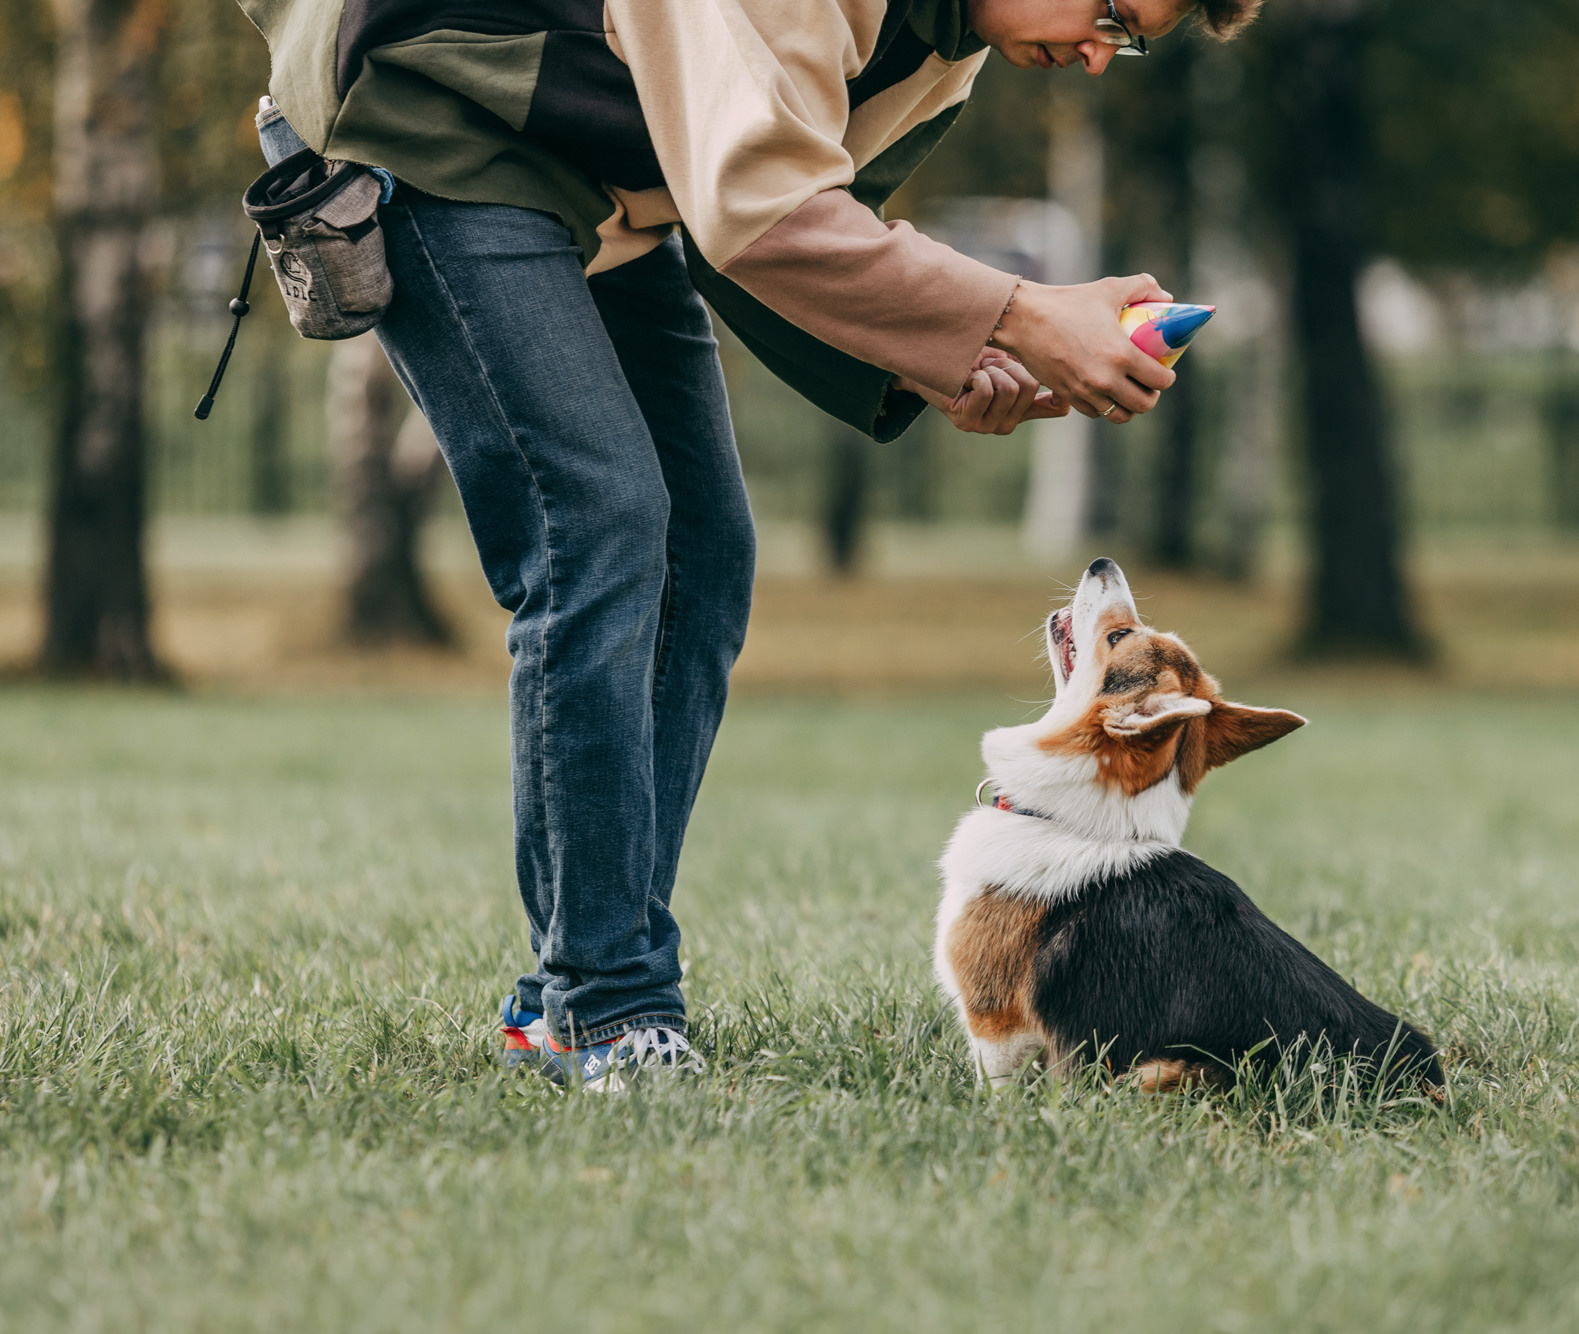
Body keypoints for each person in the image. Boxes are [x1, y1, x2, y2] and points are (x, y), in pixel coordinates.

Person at [237, 0, 1262, 1090]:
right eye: (1109, 10)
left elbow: (800, 229)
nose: (1099, 56)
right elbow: (759, 213)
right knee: (599, 523)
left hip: (597, 186)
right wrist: (1016, 310)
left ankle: (564, 996)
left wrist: (943, 356)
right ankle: (608, 1004)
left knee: (704, 555)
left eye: (1131, 38)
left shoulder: (944, 46)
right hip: (437, 116)